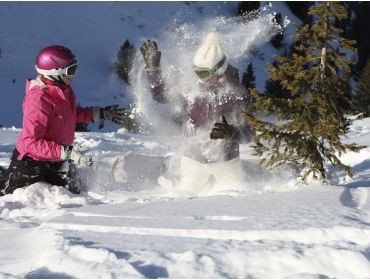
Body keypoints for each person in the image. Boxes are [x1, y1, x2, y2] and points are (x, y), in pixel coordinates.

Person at [0, 45, 130, 196]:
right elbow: (31, 142)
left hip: (57, 159)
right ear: (54, 72)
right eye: (70, 70)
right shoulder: (38, 99)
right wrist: (66, 152)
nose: (73, 75)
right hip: (32, 164)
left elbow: (67, 115)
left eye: (74, 68)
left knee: (75, 195)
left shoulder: (62, 90)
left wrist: (99, 113)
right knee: (16, 198)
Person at [140, 32, 255, 194]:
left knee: (238, 198)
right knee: (184, 198)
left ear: (219, 71)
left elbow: (249, 133)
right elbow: (160, 95)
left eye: (203, 73)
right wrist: (153, 70)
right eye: (196, 72)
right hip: (193, 160)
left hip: (227, 162)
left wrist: (232, 132)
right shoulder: (190, 87)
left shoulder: (237, 94)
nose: (199, 79)